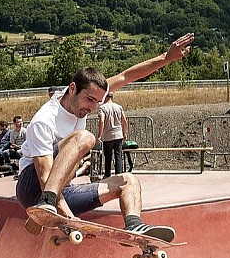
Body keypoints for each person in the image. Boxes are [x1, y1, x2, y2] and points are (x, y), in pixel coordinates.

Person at [16, 32, 193, 240]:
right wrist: (71, 219)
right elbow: (45, 177)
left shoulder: (91, 91)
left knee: (129, 181)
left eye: (97, 103)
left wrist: (166, 58)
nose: (91, 108)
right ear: (72, 89)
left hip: (62, 189)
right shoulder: (44, 120)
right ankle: (47, 204)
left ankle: (134, 227)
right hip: (33, 187)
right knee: (84, 138)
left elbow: (127, 76)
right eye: (89, 100)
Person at [97, 93, 128, 178]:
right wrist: (125, 133)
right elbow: (125, 121)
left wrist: (99, 135)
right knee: (118, 156)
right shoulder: (119, 107)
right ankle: (119, 175)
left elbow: (102, 121)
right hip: (118, 134)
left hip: (108, 136)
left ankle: (107, 175)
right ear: (112, 97)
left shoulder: (102, 108)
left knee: (108, 156)